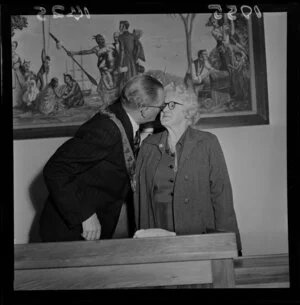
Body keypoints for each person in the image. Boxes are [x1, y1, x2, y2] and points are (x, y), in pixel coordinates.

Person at [39, 74, 165, 242]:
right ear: (144, 109)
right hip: (70, 229)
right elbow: (55, 169)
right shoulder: (107, 130)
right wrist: (85, 215)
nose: (162, 109)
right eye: (160, 105)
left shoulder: (120, 116)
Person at [133, 83, 242, 255]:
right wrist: (143, 243)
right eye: (162, 105)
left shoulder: (207, 143)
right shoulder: (148, 146)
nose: (164, 110)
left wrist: (229, 245)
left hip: (199, 235)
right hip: (158, 234)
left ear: (188, 111)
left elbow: (222, 197)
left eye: (171, 105)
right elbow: (140, 199)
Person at [118, 20, 138, 88]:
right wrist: (134, 59)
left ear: (123, 26)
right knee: (133, 80)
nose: (119, 27)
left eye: (120, 26)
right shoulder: (133, 36)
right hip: (132, 62)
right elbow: (137, 49)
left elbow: (122, 51)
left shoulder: (121, 37)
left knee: (125, 81)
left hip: (125, 61)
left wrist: (120, 65)